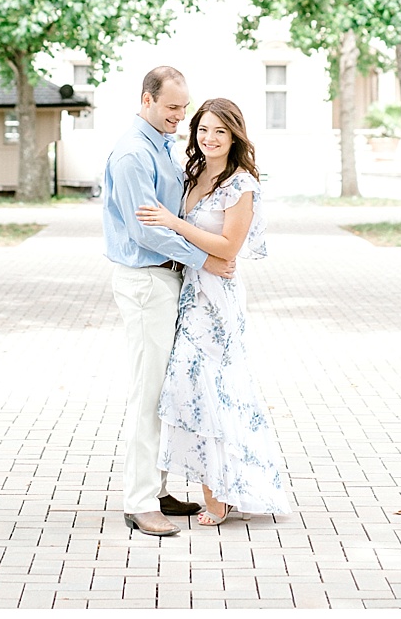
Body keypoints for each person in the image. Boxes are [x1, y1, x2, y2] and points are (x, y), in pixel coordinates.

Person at [136, 97, 292, 525]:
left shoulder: (242, 185)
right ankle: (218, 487)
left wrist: (174, 223)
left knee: (214, 389)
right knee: (189, 389)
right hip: (190, 292)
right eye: (203, 130)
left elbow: (228, 248)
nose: (209, 138)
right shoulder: (196, 172)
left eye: (220, 131)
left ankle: (220, 497)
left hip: (217, 299)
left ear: (234, 136)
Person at [104, 65, 236, 538]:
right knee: (149, 394)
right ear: (146, 101)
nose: (181, 117)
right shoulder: (133, 155)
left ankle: (157, 488)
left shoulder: (160, 145)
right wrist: (203, 258)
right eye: (172, 108)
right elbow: (145, 230)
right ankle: (140, 502)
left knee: (166, 391)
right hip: (145, 282)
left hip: (167, 282)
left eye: (184, 107)